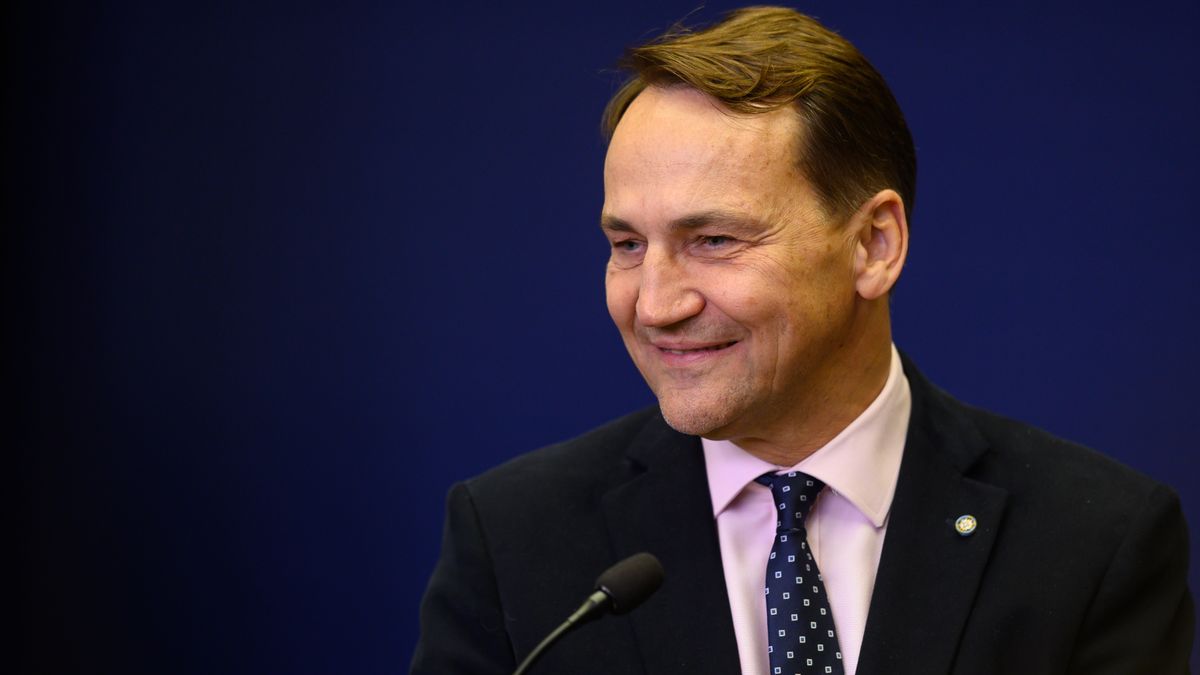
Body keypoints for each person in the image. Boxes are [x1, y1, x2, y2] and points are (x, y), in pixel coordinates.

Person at [411, 7, 1194, 674]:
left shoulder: (1094, 541)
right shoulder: (514, 539)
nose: (654, 303)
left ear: (874, 245)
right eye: (626, 244)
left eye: (713, 239)